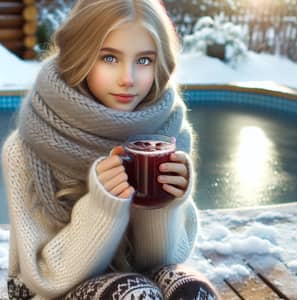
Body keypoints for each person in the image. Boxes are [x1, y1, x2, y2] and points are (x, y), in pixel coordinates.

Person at [2, 0, 221, 299]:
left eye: (144, 60)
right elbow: (43, 277)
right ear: (80, 55)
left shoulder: (169, 132)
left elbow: (161, 261)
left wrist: (163, 205)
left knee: (192, 291)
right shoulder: (26, 147)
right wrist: (103, 207)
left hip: (136, 279)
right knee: (134, 294)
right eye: (109, 58)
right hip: (45, 291)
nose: (128, 79)